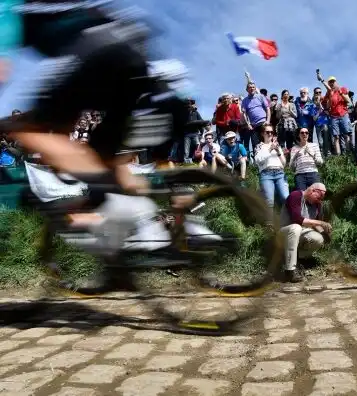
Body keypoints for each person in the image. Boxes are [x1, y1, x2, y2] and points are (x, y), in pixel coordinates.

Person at [0, 1, 216, 289]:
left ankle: (141, 222)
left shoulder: (8, 7)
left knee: (32, 131)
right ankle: (127, 250)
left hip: (97, 54)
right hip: (133, 54)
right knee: (102, 159)